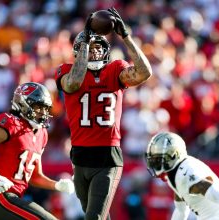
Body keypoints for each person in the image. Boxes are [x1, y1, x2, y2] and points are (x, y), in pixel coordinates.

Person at [54, 7, 152, 220]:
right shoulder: (66, 71)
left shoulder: (115, 69)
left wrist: (126, 37)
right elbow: (74, 83)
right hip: (80, 156)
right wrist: (86, 39)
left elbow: (145, 73)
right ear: (79, 50)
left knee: (94, 217)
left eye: (99, 47)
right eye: (90, 48)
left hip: (108, 156)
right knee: (97, 216)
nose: (95, 51)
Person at [0, 82, 75, 220]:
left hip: (11, 200)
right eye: (38, 107)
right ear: (23, 104)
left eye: (45, 108)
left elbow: (35, 177)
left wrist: (57, 185)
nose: (43, 112)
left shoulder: (42, 134)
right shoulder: (12, 124)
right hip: (1, 198)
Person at [145, 132, 219, 220]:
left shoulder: (187, 174)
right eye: (153, 159)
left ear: (173, 155)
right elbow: (181, 211)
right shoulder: (174, 174)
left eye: (158, 159)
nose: (154, 163)